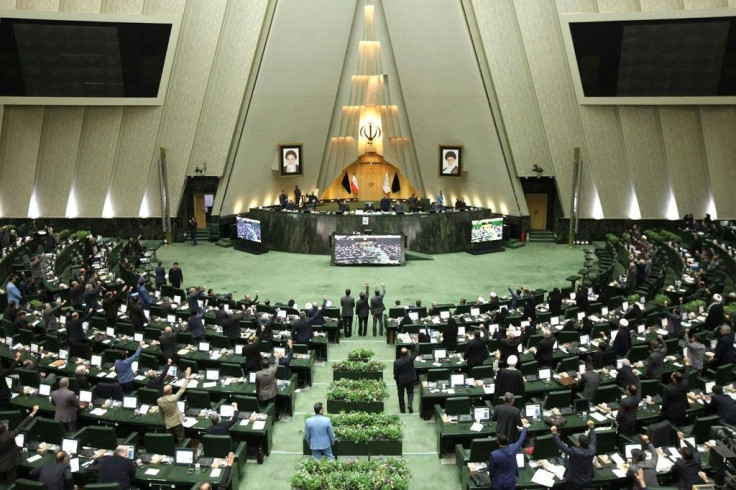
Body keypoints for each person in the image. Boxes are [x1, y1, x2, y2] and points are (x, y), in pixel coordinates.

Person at [551, 420, 596, 490]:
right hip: (587, 480)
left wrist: (554, 433)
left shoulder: (575, 451)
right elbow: (593, 440)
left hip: (574, 482)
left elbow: (562, 446)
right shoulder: (592, 450)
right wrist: (592, 427)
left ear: (579, 443)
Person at [0, 405, 39, 484]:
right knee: (10, 484)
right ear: (5, 429)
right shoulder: (9, 436)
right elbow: (21, 426)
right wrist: (33, 413)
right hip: (9, 464)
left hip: (2, 463)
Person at [487, 421, 529, 490]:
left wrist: (492, 479)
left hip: (498, 483)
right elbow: (521, 440)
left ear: (498, 442)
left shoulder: (494, 454)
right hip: (510, 481)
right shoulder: (513, 448)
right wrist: (524, 428)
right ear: (507, 441)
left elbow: (491, 470)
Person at [157, 367, 193, 443]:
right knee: (181, 438)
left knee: (169, 440)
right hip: (177, 422)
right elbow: (182, 389)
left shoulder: (159, 400)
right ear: (170, 391)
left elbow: (161, 412)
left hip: (168, 423)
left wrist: (165, 421)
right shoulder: (173, 398)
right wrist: (187, 378)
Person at [662, 357, 691, 425]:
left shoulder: (668, 388)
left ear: (674, 379)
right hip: (682, 408)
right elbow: (687, 374)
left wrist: (662, 411)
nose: (671, 375)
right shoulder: (685, 383)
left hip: (672, 412)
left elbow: (665, 402)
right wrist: (687, 364)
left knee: (673, 426)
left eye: (672, 375)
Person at [393, 344, 419, 414]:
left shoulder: (396, 362)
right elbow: (416, 352)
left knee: (401, 395)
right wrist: (416, 343)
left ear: (400, 353)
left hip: (401, 381)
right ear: (407, 352)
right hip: (410, 379)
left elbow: (395, 373)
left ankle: (402, 409)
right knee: (410, 392)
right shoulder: (410, 358)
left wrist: (397, 380)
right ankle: (410, 404)